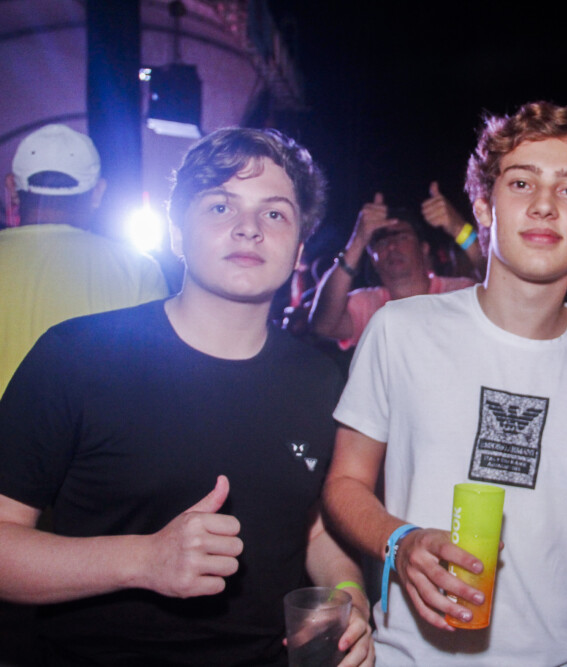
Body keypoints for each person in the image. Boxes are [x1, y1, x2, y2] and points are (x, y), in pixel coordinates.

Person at [0, 128, 373, 666]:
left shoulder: (320, 381)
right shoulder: (77, 355)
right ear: (177, 233)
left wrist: (349, 593)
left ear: (297, 250)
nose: (248, 228)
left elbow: (312, 525)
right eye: (221, 206)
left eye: (274, 214)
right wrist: (143, 560)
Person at [323, 101, 567, 665]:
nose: (544, 205)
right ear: (484, 205)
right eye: (522, 183)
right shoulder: (399, 330)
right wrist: (399, 542)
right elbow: (344, 484)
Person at [0, 123, 168, 397]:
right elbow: (153, 377)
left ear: (11, 187)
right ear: (98, 192)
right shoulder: (138, 269)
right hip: (90, 426)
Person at [309, 183, 479, 349]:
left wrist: (459, 229)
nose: (391, 246)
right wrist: (357, 241)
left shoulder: (458, 292)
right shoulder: (368, 307)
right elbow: (323, 325)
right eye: (382, 242)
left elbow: (494, 284)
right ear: (373, 260)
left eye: (401, 237)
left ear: (424, 249)